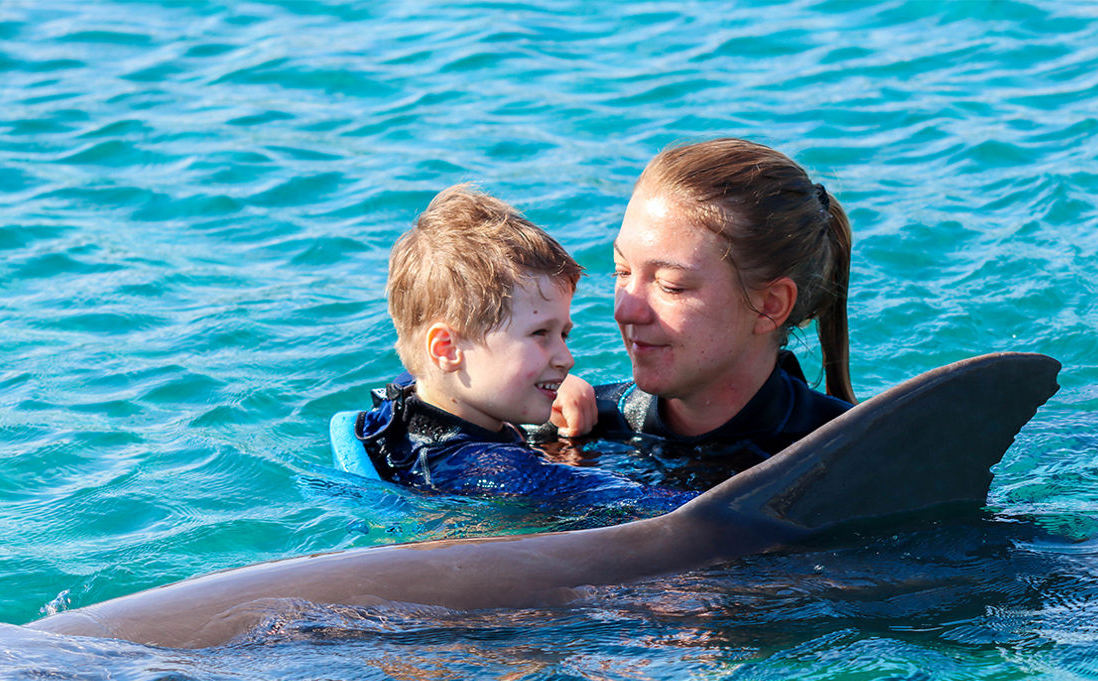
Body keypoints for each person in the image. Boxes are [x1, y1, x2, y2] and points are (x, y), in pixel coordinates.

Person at [353, 184, 693, 511]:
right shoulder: (494, 473)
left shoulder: (405, 404)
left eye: (564, 335)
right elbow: (652, 508)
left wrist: (546, 385)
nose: (566, 359)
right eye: (540, 334)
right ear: (446, 349)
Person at [550, 138, 857, 484]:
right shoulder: (584, 427)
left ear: (769, 305)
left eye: (670, 285)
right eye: (622, 272)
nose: (625, 310)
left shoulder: (853, 455)